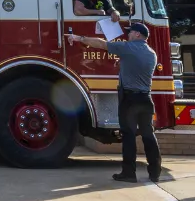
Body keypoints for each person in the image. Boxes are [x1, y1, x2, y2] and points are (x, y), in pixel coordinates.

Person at [67, 22, 162, 183]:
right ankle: (155, 171)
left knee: (129, 135)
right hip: (146, 98)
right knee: (148, 134)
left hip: (130, 100)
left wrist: (79, 38)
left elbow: (101, 44)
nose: (128, 35)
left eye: (130, 32)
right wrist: (123, 62)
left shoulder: (128, 48)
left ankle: (129, 173)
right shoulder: (151, 53)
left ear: (138, 34)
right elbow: (136, 65)